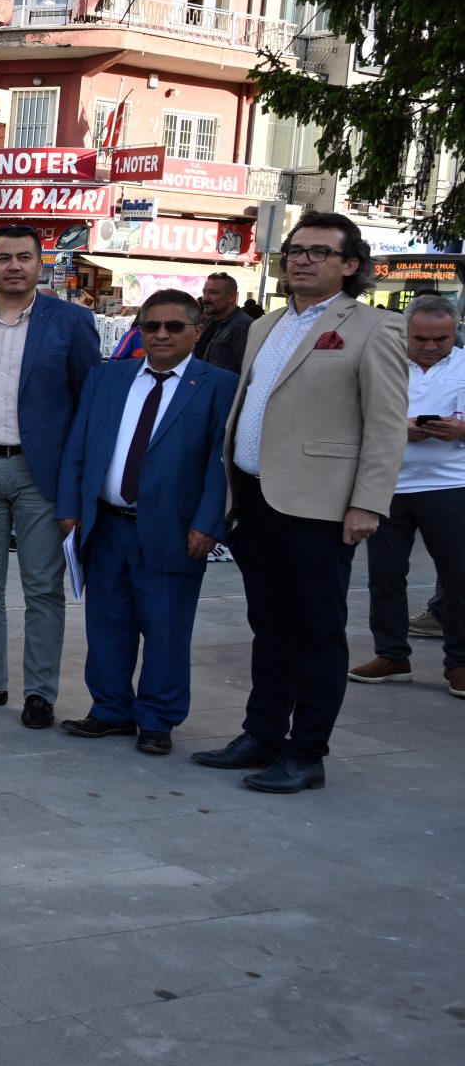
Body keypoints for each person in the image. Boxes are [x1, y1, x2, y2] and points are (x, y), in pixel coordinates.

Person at [196, 212, 408, 792]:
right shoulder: (265, 325)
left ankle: (306, 751)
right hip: (257, 499)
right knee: (269, 626)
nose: (303, 259)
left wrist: (368, 504)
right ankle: (261, 735)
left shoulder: (373, 328)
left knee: (317, 631)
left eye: (319, 251)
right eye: (296, 249)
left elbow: (387, 427)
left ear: (350, 265)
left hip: (321, 507)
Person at [54, 289, 237, 755]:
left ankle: (157, 718)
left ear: (197, 331)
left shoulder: (219, 385)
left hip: (174, 529)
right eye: (150, 325)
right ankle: (111, 710)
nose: (160, 334)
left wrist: (209, 522)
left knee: (166, 628)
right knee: (107, 622)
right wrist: (70, 508)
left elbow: (223, 461)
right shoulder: (107, 377)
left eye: (174, 326)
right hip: (106, 525)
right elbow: (80, 444)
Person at [0, 224, 101, 728]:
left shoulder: (71, 322)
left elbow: (86, 400)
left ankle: (40, 693)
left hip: (41, 473)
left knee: (41, 588)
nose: (13, 265)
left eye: (23, 257)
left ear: (39, 262)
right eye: (3, 257)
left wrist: (75, 478)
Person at [349, 294, 465, 699]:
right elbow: (355, 414)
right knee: (384, 577)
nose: (431, 347)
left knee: (458, 577)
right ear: (405, 333)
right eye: (421, 339)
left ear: (455, 332)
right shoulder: (384, 364)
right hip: (387, 486)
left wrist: (459, 430)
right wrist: (400, 426)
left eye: (441, 339)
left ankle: (460, 662)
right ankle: (391, 654)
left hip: (451, 486)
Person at [195, 272, 254, 375]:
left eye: (213, 293)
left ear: (231, 297)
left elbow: (244, 369)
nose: (205, 298)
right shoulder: (211, 322)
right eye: (204, 292)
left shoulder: (243, 325)